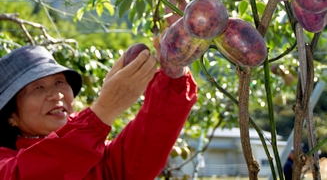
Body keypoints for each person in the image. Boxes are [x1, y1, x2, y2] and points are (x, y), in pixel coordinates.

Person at [0, 44, 197, 179]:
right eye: (38, 88)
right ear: (11, 117)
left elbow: (152, 136)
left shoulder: (96, 153)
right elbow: (32, 173)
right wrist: (103, 111)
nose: (56, 94)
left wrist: (174, 68)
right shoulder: (5, 164)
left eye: (59, 82)